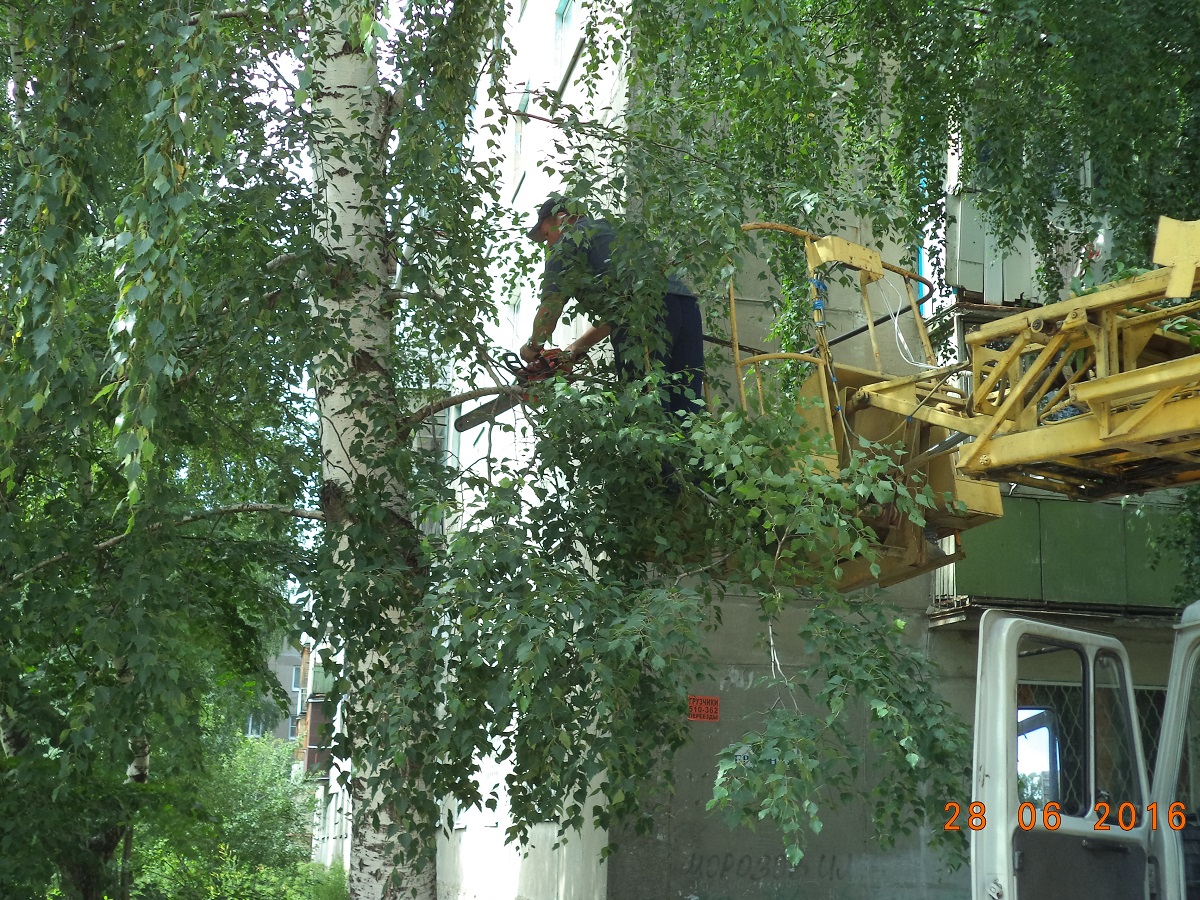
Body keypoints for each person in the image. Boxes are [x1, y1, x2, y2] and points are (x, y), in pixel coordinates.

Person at [519, 196, 705, 418]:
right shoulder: (614, 230)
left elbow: (552, 304)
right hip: (685, 305)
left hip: (641, 315)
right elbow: (618, 313)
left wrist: (533, 347)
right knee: (687, 407)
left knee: (644, 407)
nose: (548, 245)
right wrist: (575, 348)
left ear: (560, 218)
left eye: (547, 235)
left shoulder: (566, 242)